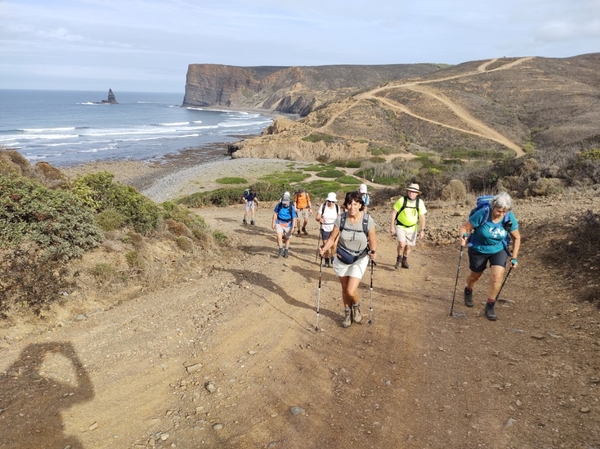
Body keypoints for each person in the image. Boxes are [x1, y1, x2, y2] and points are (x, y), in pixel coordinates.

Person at [459, 191, 521, 321]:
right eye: (499, 211)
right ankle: (468, 289)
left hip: (498, 249)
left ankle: (490, 304)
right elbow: (465, 227)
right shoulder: (483, 213)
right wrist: (463, 237)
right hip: (478, 248)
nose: (501, 214)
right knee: (475, 276)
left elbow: (516, 238)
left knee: (497, 277)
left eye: (504, 211)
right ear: (493, 207)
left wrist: (514, 257)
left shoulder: (509, 217)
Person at [319, 190, 377, 328]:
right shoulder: (341, 219)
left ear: (360, 205)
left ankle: (356, 306)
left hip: (360, 258)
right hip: (342, 257)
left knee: (351, 290)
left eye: (355, 204)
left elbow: (373, 240)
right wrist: (324, 249)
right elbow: (332, 238)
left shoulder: (367, 220)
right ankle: (347, 313)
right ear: (346, 205)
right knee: (344, 288)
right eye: (350, 204)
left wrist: (373, 251)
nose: (352, 207)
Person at [390, 183, 427, 269]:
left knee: (408, 247)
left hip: (413, 228)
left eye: (413, 192)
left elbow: (422, 217)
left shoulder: (420, 203)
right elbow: (394, 212)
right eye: (410, 191)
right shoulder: (402, 200)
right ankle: (399, 260)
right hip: (400, 226)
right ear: (407, 191)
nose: (411, 193)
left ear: (417, 193)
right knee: (402, 244)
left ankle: (404, 260)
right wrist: (392, 226)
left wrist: (422, 230)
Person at [316, 192, 341, 268]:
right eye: (329, 201)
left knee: (334, 246)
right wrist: (319, 219)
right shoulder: (323, 206)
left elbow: (339, 218)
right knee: (326, 246)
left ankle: (332, 258)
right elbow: (317, 217)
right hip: (325, 228)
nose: (330, 203)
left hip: (334, 228)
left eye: (332, 201)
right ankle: (327, 259)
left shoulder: (337, 207)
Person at [272, 191, 298, 258]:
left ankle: (286, 250)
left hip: (288, 224)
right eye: (284, 203)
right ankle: (280, 248)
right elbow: (275, 214)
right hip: (279, 222)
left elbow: (294, 218)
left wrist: (293, 227)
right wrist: (273, 222)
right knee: (279, 236)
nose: (285, 204)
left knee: (287, 239)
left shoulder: (291, 207)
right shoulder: (279, 205)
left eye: (286, 203)